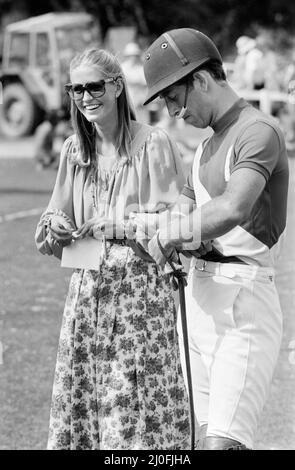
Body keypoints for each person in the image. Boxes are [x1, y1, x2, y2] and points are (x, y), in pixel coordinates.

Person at [35, 48, 190, 450]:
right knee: (86, 404)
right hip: (86, 297)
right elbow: (53, 214)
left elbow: (184, 224)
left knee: (133, 411)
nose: (85, 97)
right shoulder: (74, 150)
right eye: (76, 89)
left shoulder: (154, 144)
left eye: (94, 86)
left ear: (118, 86)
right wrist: (57, 224)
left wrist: (120, 227)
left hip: (139, 299)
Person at [141, 28, 289, 450]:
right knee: (199, 443)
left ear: (202, 80)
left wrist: (172, 232)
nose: (172, 112)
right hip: (199, 302)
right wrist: (148, 223)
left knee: (221, 448)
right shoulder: (204, 151)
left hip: (244, 305)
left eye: (174, 97)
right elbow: (183, 216)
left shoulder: (259, 130)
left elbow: (231, 208)